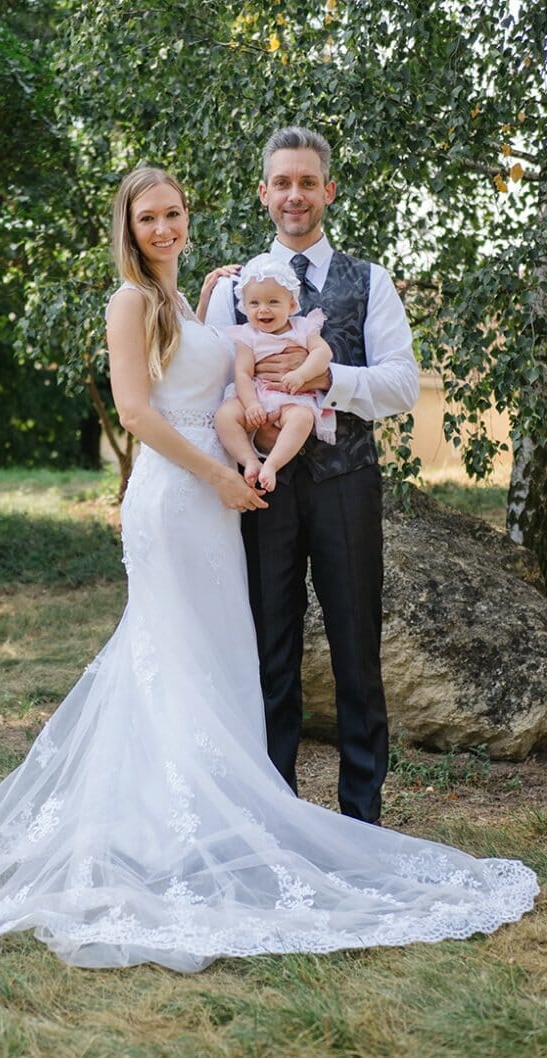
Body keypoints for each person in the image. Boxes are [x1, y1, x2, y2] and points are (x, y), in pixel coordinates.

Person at [0, 167, 537, 973]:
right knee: (168, 656)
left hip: (219, 507)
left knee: (214, 660)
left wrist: (211, 303)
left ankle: (218, 822)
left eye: (175, 212)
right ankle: (160, 830)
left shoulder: (198, 297)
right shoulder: (130, 302)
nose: (166, 227)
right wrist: (216, 475)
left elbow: (227, 361)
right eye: (149, 218)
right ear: (128, 227)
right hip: (179, 500)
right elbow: (138, 411)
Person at [206, 127, 420, 825]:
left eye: (307, 182)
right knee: (268, 647)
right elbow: (202, 385)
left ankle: (361, 819)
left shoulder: (371, 280)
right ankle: (275, 818)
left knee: (357, 645)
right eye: (281, 182)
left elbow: (402, 384)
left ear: (327, 190)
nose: (293, 195)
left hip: (345, 480)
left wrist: (330, 377)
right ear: (262, 193)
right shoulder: (233, 286)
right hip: (260, 489)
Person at [215, 253, 336, 493]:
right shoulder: (247, 335)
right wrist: (250, 405)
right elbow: (242, 373)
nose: (263, 310)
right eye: (254, 303)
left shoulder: (303, 327)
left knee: (302, 418)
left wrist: (302, 374)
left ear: (291, 305)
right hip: (257, 394)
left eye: (273, 302)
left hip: (292, 396)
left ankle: (271, 464)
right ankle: (249, 459)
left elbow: (323, 354)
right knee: (225, 415)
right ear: (244, 305)